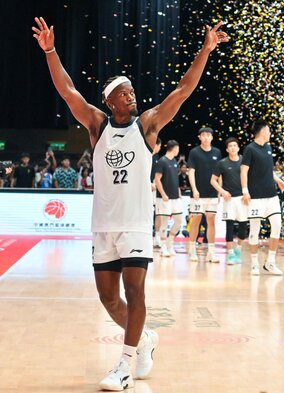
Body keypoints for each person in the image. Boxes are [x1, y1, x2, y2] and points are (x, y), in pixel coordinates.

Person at [33, 16, 228, 390]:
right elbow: (68, 90)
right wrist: (50, 51)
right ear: (110, 100)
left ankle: (124, 364)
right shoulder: (97, 124)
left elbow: (183, 90)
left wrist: (205, 50)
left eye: (132, 91)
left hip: (136, 223)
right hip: (103, 225)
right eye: (124, 92)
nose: (131, 96)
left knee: (134, 292)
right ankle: (144, 338)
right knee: (108, 299)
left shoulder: (147, 125)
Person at [241, 120, 284, 275]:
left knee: (277, 225)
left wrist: (278, 180)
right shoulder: (250, 149)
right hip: (255, 197)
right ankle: (254, 263)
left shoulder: (268, 147)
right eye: (268, 130)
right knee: (255, 228)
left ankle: (270, 262)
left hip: (271, 196)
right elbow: (244, 171)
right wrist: (245, 191)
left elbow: (268, 170)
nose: (270, 132)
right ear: (261, 131)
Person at [210, 137, 248, 264]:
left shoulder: (244, 161)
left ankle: (239, 248)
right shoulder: (222, 163)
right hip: (229, 199)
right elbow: (213, 180)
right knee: (229, 227)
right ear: (227, 149)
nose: (232, 147)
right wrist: (222, 192)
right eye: (230, 146)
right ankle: (230, 254)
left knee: (243, 228)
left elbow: (251, 177)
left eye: (235, 145)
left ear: (238, 148)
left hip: (243, 199)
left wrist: (247, 192)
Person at [187, 127, 222, 262]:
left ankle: (211, 252)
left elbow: (219, 174)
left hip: (212, 193)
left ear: (212, 137)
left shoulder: (217, 152)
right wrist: (194, 189)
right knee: (195, 220)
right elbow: (191, 171)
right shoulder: (194, 152)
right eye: (203, 135)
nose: (206, 137)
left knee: (211, 221)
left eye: (208, 135)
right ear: (199, 137)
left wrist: (219, 190)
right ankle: (192, 249)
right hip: (197, 194)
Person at [155, 140, 183, 257]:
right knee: (164, 223)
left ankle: (169, 243)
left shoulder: (175, 161)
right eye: (178, 149)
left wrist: (179, 193)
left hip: (175, 197)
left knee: (179, 221)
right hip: (164, 198)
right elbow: (157, 179)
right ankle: (163, 247)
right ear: (175, 148)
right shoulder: (162, 161)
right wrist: (163, 194)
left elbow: (174, 180)